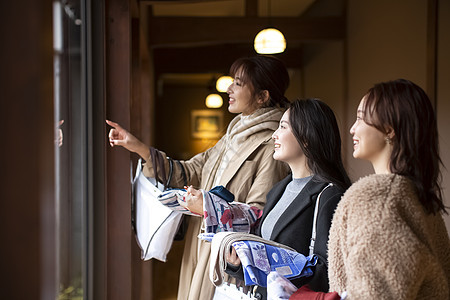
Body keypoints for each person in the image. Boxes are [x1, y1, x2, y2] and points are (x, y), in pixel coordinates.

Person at [106, 55, 291, 300]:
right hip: (201, 245)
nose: (229, 88)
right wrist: (138, 147)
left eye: (238, 83)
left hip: (228, 258)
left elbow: (259, 215)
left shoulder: (270, 146)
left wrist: (206, 205)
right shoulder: (232, 136)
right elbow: (189, 171)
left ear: (262, 96)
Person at [289, 79, 450, 299]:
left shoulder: (377, 198)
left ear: (389, 129)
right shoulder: (420, 197)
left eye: (361, 117)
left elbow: (374, 295)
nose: (352, 128)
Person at [211, 98, 351, 300]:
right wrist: (238, 264)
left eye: (283, 127)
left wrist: (279, 273)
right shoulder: (278, 190)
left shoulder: (329, 195)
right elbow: (264, 265)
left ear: (306, 138)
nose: (274, 135)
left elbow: (329, 270)